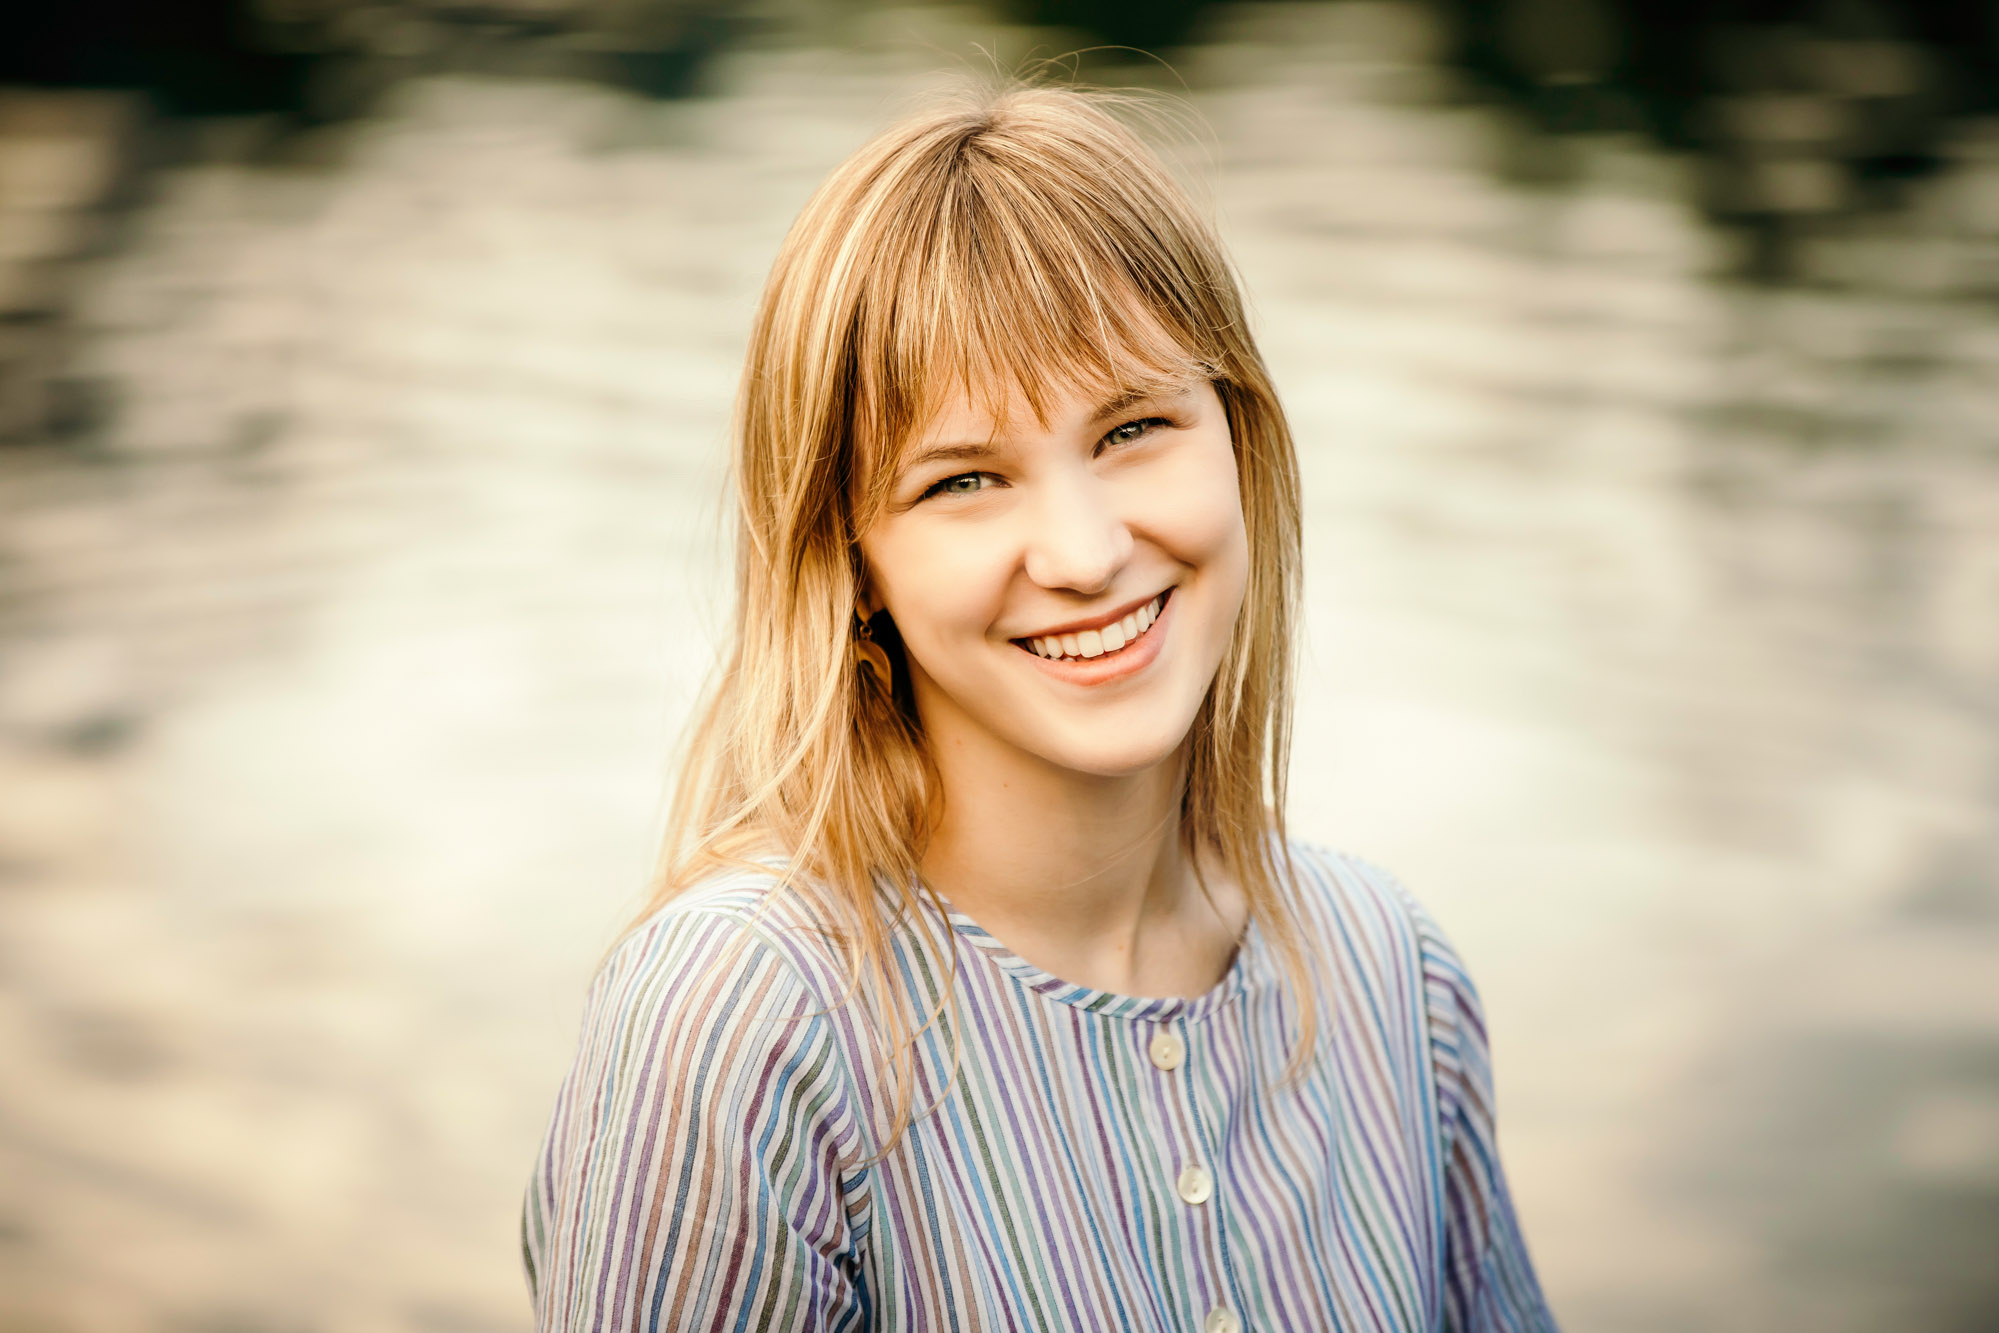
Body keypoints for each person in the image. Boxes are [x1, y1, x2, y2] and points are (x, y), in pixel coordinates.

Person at [521, 81, 1560, 1333]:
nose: (1081, 549)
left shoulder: (1396, 977)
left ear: (1240, 441)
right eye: (965, 478)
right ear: (850, 561)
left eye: (1132, 428)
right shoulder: (741, 1027)